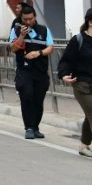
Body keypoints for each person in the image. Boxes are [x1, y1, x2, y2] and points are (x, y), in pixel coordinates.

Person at [9, 4, 54, 140]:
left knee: (38, 99)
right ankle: (28, 127)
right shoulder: (16, 31)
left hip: (40, 71)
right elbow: (12, 48)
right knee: (27, 97)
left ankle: (35, 127)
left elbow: (50, 48)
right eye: (25, 19)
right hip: (24, 70)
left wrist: (38, 53)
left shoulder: (44, 30)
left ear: (35, 17)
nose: (28, 22)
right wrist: (22, 36)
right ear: (21, 18)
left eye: (30, 19)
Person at [57, 8, 92, 158]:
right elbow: (66, 60)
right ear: (90, 22)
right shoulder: (78, 40)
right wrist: (64, 74)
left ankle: (84, 146)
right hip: (82, 85)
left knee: (88, 115)